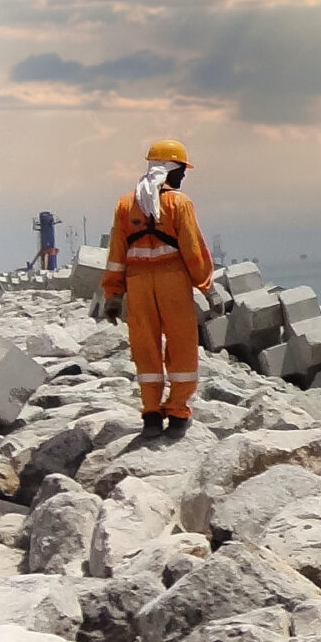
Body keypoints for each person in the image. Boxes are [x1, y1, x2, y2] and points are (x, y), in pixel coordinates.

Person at [95, 137, 219, 433]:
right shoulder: (179, 203)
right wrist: (208, 288)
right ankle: (177, 412)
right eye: (182, 170)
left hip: (138, 286)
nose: (184, 176)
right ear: (171, 168)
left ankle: (151, 413)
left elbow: (117, 253)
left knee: (145, 347)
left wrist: (113, 295)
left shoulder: (126, 204)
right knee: (182, 347)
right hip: (173, 284)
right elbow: (193, 250)